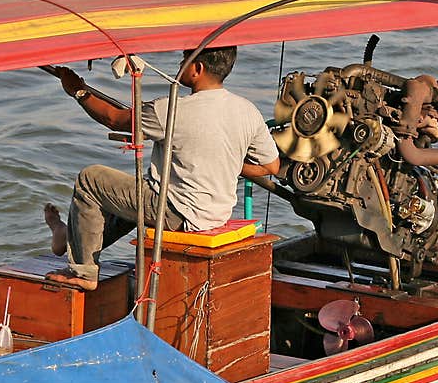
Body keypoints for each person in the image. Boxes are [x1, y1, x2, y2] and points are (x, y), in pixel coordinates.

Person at [45, 46, 280, 291]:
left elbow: (113, 119)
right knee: (127, 197)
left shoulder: (170, 109)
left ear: (197, 69)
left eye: (183, 61)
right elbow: (270, 165)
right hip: (215, 213)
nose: (179, 67)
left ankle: (83, 272)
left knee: (90, 179)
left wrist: (78, 91)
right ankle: (68, 239)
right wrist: (225, 161)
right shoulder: (247, 111)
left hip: (176, 211)